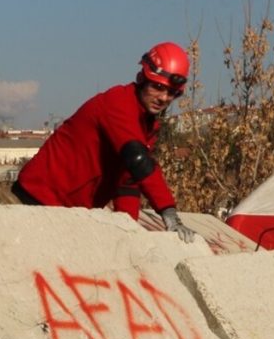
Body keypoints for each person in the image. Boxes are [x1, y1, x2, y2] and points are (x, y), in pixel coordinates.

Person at [12, 42, 196, 242]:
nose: (163, 98)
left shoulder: (146, 125)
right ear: (142, 78)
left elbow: (127, 182)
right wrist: (169, 213)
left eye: (172, 93)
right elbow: (138, 160)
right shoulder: (118, 104)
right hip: (35, 200)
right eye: (158, 87)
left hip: (67, 212)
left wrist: (127, 231)